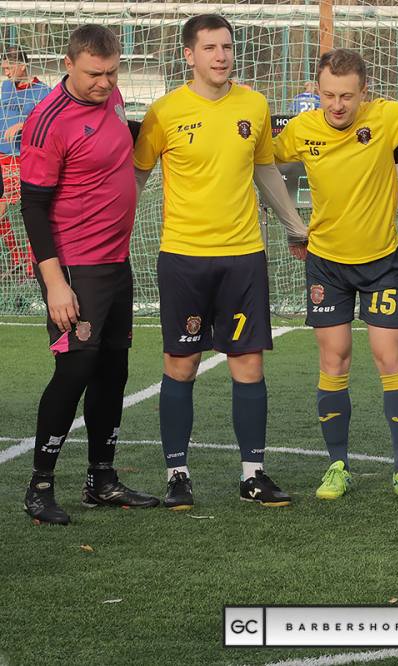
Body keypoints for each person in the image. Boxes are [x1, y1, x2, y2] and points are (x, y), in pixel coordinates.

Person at [134, 13, 309, 510]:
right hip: (184, 257)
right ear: (188, 55)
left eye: (227, 47)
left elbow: (265, 169)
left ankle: (253, 474)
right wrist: (114, 230)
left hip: (243, 256)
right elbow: (137, 175)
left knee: (249, 363)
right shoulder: (164, 112)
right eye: (210, 48)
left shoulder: (254, 104)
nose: (221, 56)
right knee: (181, 363)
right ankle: (177, 474)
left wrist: (295, 225)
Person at [273, 48, 398, 506]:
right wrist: (291, 225)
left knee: (389, 358)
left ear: (365, 92)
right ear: (316, 91)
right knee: (334, 359)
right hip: (326, 262)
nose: (337, 105)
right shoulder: (301, 129)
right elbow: (261, 154)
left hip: (381, 262)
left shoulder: (386, 117)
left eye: (346, 96)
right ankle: (338, 465)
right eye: (328, 95)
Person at [20, 25, 158, 525]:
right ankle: (39, 487)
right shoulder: (47, 122)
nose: (104, 83)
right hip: (75, 269)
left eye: (112, 72)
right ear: (68, 64)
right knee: (75, 369)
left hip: (116, 262)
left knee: (113, 370)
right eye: (94, 74)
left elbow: (125, 136)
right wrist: (55, 284)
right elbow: (32, 208)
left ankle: (102, 480)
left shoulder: (113, 97)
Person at [0, 47, 49, 276]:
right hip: (1, 156)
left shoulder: (43, 92)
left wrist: (24, 125)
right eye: (3, 68)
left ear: (22, 66)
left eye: (9, 68)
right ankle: (19, 258)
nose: (6, 73)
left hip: (22, 158)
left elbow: (50, 123)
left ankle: (30, 264)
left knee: (29, 210)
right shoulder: (6, 87)